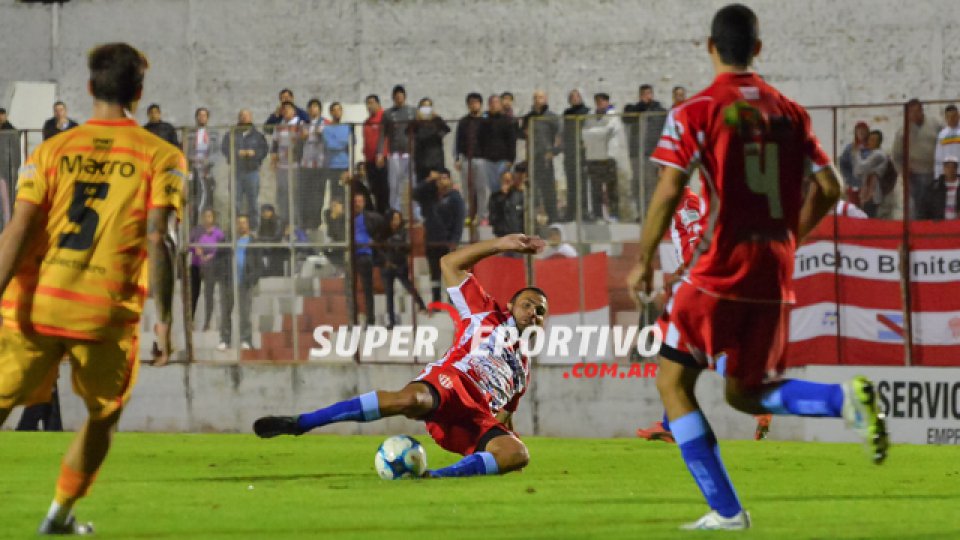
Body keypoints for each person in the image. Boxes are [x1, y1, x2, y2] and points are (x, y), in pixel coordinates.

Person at [627, 5, 888, 530]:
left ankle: (726, 512)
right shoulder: (790, 112)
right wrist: (790, 236)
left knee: (673, 382)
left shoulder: (696, 110)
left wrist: (644, 259)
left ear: (710, 47)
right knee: (745, 392)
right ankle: (844, 401)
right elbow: (831, 187)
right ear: (758, 49)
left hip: (720, 265)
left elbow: (670, 188)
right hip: (776, 270)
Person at [0, 43, 183, 535]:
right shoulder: (161, 156)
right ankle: (58, 514)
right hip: (103, 312)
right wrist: (164, 320)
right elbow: (158, 239)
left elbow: (17, 231)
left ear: (88, 87)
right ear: (139, 94)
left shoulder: (51, 150)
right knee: (104, 413)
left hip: (37, 304)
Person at [254, 233, 548, 479]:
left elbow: (505, 414)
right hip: (452, 383)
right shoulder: (485, 312)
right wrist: (502, 245)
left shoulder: (522, 368)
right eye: (528, 305)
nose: (533, 313)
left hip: (476, 416)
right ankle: (301, 423)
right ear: (511, 304)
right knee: (410, 400)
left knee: (519, 453)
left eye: (540, 311)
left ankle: (432, 477)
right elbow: (449, 262)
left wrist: (506, 446)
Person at [634, 187, 772, 443]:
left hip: (696, 284)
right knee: (685, 354)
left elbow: (698, 241)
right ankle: (670, 423)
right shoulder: (686, 202)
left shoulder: (685, 202)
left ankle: (757, 399)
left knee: (682, 352)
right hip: (703, 282)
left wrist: (681, 272)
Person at [415, 168, 465, 303]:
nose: (441, 182)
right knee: (434, 274)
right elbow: (415, 193)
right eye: (439, 179)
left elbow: (459, 221)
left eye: (444, 178)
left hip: (447, 242)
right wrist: (428, 181)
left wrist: (455, 240)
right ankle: (436, 300)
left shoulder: (455, 197)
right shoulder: (430, 196)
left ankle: (452, 301)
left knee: (449, 273)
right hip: (431, 241)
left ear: (449, 179)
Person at [217, 214, 261, 351]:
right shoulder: (228, 241)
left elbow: (259, 265)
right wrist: (223, 277)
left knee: (245, 314)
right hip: (228, 283)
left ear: (248, 225)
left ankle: (246, 340)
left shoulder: (254, 242)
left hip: (244, 283)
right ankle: (225, 340)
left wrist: (251, 279)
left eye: (244, 222)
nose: (241, 225)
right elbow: (220, 260)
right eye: (239, 223)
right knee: (225, 313)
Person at [892, 99, 941, 218]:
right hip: (914, 174)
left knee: (936, 204)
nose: (914, 114)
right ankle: (918, 231)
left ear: (922, 110)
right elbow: (896, 155)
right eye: (911, 112)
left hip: (935, 172)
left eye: (916, 111)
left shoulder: (935, 124)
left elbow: (946, 140)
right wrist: (902, 171)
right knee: (917, 206)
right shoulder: (903, 131)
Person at [221, 109, 269, 228]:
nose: (244, 118)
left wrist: (254, 153)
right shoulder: (231, 134)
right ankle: (235, 228)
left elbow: (264, 150)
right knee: (235, 202)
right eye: (242, 116)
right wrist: (237, 153)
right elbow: (225, 148)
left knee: (253, 202)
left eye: (246, 116)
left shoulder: (257, 136)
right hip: (236, 172)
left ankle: (253, 229)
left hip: (252, 172)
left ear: (251, 118)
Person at [380, 209, 427, 329]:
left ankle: (421, 304)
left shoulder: (403, 231)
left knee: (408, 285)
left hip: (400, 264)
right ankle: (391, 321)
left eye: (398, 218)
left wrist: (395, 244)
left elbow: (407, 247)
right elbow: (379, 248)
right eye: (394, 219)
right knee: (389, 294)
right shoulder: (383, 232)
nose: (396, 221)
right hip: (387, 266)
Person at [520, 90, 561, 222]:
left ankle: (553, 218)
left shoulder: (552, 117)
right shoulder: (528, 117)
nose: (538, 100)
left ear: (546, 99)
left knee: (548, 189)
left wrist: (553, 152)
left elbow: (560, 135)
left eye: (541, 97)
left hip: (545, 159)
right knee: (533, 189)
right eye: (536, 97)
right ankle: (533, 219)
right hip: (532, 159)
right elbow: (523, 135)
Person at [379, 85, 418, 214]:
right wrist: (379, 153)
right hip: (394, 154)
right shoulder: (388, 114)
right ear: (393, 98)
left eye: (401, 96)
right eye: (396, 96)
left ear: (405, 97)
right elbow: (382, 134)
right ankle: (395, 211)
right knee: (394, 184)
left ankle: (415, 212)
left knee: (413, 184)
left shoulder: (413, 112)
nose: (399, 98)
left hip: (410, 153)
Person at [189, 208, 226, 331]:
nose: (207, 218)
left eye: (210, 216)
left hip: (211, 266)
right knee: (194, 293)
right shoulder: (196, 231)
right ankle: (190, 320)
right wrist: (195, 249)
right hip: (196, 264)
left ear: (213, 218)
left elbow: (222, 248)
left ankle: (207, 322)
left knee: (208, 294)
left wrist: (212, 254)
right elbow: (190, 244)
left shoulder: (218, 233)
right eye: (205, 216)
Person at [351, 193, 383, 325]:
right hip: (351, 256)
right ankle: (353, 319)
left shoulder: (371, 217)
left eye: (360, 201)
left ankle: (370, 319)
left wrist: (374, 240)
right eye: (355, 201)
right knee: (350, 290)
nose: (357, 204)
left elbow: (384, 227)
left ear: (364, 203)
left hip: (365, 255)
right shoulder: (347, 218)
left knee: (367, 289)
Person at [270, 101, 304, 224]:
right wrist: (273, 158)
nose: (286, 112)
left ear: (294, 111)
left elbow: (303, 142)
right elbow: (274, 143)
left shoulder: (299, 124)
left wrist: (294, 151)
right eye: (284, 110)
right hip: (282, 166)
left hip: (294, 165)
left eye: (288, 109)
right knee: (282, 192)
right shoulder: (279, 125)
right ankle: (284, 220)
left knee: (295, 194)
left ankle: (296, 221)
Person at [455, 92, 486, 224]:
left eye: (476, 102)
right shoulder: (463, 122)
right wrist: (457, 158)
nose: (473, 105)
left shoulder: (486, 122)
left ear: (480, 104)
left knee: (481, 188)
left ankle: (481, 215)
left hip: (481, 159)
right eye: (471, 103)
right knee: (467, 189)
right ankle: (469, 214)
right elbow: (458, 141)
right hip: (466, 159)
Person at [185, 107, 218, 226]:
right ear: (196, 117)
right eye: (200, 115)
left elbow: (216, 152)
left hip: (207, 171)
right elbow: (184, 150)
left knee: (208, 198)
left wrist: (207, 162)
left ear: (207, 118)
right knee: (193, 198)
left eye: (204, 115)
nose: (202, 118)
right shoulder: (189, 133)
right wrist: (191, 158)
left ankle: (207, 226)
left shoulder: (213, 133)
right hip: (192, 170)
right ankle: (192, 226)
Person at [560, 89, 590, 221]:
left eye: (577, 96)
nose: (575, 99)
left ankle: (583, 211)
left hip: (583, 153)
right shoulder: (567, 113)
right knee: (571, 183)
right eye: (572, 97)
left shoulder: (587, 112)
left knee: (582, 182)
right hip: (570, 152)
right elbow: (564, 132)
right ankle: (571, 212)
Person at [300, 98, 326, 230]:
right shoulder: (304, 123)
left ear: (320, 110)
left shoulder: (324, 122)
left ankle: (316, 220)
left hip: (319, 165)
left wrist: (312, 132)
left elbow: (323, 134)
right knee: (306, 194)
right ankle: (306, 221)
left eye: (315, 107)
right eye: (310, 107)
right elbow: (301, 137)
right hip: (306, 164)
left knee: (317, 193)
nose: (312, 109)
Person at [321, 102, 350, 220]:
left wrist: (339, 143)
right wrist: (342, 143)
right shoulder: (326, 129)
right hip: (332, 166)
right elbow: (330, 145)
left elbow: (351, 143)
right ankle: (334, 223)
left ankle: (344, 221)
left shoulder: (347, 127)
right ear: (331, 112)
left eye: (340, 109)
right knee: (334, 194)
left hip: (345, 165)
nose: (337, 112)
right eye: (335, 110)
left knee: (345, 194)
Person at [363, 95, 389, 213]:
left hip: (382, 160)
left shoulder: (385, 118)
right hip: (370, 162)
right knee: (374, 190)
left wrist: (382, 154)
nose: (370, 106)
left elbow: (386, 138)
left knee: (384, 190)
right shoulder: (366, 123)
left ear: (378, 104)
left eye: (372, 103)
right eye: (368, 103)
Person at [837, 121, 870, 204]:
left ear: (867, 132)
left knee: (868, 210)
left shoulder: (872, 147)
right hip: (853, 184)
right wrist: (849, 179)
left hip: (868, 186)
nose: (861, 133)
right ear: (855, 133)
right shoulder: (850, 148)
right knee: (854, 209)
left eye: (863, 131)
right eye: (859, 131)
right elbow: (843, 164)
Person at [918, 155, 960, 220]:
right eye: (948, 166)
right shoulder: (934, 187)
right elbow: (924, 208)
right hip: (939, 225)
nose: (950, 170)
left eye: (953, 167)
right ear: (944, 168)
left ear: (956, 168)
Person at [488, 170, 524, 238]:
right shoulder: (495, 197)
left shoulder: (520, 195)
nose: (506, 183)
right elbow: (492, 217)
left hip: (517, 234)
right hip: (501, 234)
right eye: (505, 180)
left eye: (509, 181)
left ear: (512, 181)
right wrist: (502, 196)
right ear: (501, 181)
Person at [934, 104, 960, 177]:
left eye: (954, 116)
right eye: (949, 117)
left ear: (958, 116)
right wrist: (937, 176)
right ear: (945, 118)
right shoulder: (942, 135)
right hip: (947, 175)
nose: (951, 119)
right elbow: (938, 157)